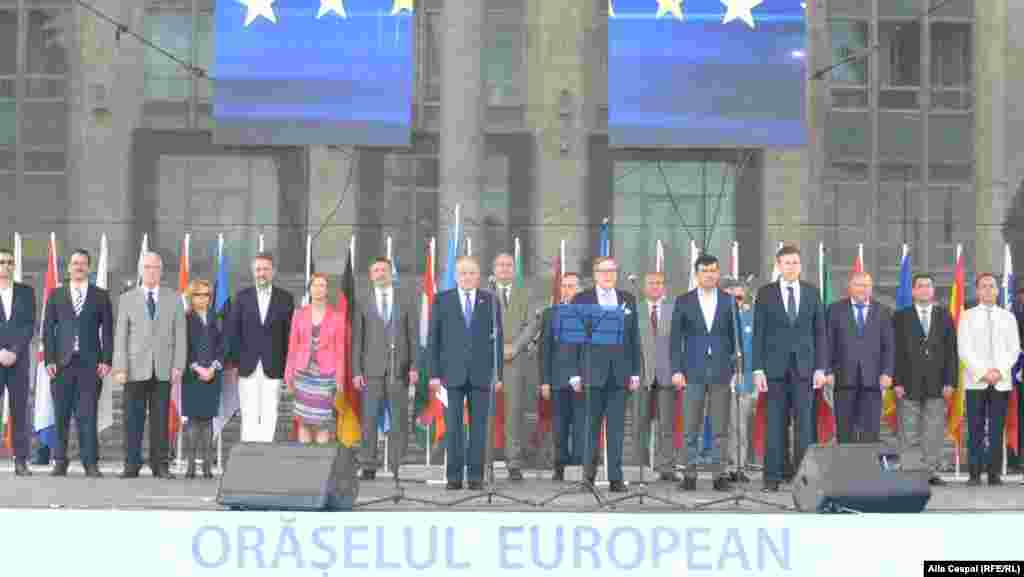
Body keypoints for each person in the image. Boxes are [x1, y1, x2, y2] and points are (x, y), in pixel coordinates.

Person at [751, 244, 827, 492]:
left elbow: (820, 332)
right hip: (774, 369)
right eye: (787, 263)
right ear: (778, 266)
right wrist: (757, 369)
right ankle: (772, 477)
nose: (791, 267)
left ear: (800, 265)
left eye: (795, 262)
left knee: (805, 426)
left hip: (805, 370)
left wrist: (820, 368)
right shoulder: (765, 293)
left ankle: (803, 480)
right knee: (775, 424)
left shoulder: (812, 292)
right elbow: (759, 333)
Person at [428, 256, 503, 490]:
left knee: (479, 429)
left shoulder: (490, 300)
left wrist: (498, 374)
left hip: (482, 374)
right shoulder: (442, 300)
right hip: (451, 374)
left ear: (478, 276)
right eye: (463, 273)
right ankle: (453, 477)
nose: (467, 277)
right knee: (453, 428)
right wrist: (434, 374)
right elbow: (433, 339)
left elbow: (498, 340)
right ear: (455, 276)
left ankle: (475, 477)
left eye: (471, 273)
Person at [112, 251, 187, 479]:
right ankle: (131, 464)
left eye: (155, 267)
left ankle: (160, 465)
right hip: (134, 369)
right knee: (132, 420)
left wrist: (178, 365)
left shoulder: (174, 298)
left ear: (161, 271)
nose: (151, 271)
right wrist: (120, 367)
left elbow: (180, 334)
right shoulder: (127, 299)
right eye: (147, 267)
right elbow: (121, 336)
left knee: (160, 420)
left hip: (163, 368)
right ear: (140, 270)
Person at [570, 256, 641, 493]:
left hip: (620, 373)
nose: (608, 275)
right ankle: (587, 478)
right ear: (595, 274)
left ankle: (615, 478)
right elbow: (573, 338)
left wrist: (635, 371)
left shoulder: (628, 299)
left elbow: (633, 338)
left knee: (616, 430)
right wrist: (574, 373)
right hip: (592, 372)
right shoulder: (582, 299)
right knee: (590, 428)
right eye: (604, 271)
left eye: (612, 271)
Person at [43, 248, 113, 478]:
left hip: (90, 365)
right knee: (61, 415)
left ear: (89, 268)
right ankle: (60, 461)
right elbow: (48, 329)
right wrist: (49, 360)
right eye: (75, 263)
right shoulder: (56, 294)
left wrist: (106, 360)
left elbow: (108, 331)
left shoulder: (100, 295)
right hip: (61, 365)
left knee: (88, 416)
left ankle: (90, 463)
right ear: (69, 267)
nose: (79, 267)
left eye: (83, 263)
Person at [670, 254, 735, 491]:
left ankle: (719, 475)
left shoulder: (729, 301)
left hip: (721, 370)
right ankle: (689, 475)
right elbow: (675, 339)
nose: (709, 275)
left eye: (713, 270)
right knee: (691, 428)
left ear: (718, 273)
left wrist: (735, 369)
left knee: (720, 428)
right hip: (692, 371)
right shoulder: (683, 301)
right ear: (696, 274)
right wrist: (676, 370)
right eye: (705, 270)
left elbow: (735, 338)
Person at [352, 257, 417, 480]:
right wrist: (356, 370)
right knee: (369, 419)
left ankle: (398, 465)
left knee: (399, 419)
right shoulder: (363, 300)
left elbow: (413, 335)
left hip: (399, 368)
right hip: (371, 370)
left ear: (391, 273)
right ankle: (368, 464)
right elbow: (358, 339)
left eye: (383, 270)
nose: (380, 274)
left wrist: (414, 366)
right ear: (371, 275)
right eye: (376, 270)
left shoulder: (405, 298)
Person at [892, 273, 957, 486]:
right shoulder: (900, 316)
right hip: (908, 382)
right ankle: (911, 471)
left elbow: (951, 351)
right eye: (920, 286)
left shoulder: (944, 316)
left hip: (937, 383)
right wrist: (896, 382)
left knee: (933, 431)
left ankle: (929, 472)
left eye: (928, 286)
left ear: (933, 290)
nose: (924, 289)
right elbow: (894, 351)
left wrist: (950, 382)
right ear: (913, 291)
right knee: (908, 430)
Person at [958, 273, 1021, 485]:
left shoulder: (1008, 317)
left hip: (1001, 381)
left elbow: (1014, 349)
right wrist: (983, 373)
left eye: (991, 286)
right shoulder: (967, 316)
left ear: (997, 290)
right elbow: (964, 349)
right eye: (983, 286)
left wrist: (999, 372)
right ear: (977, 291)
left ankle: (994, 473)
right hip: (975, 380)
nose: (988, 290)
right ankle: (974, 473)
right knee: (975, 429)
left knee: (996, 429)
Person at [226, 252, 295, 442]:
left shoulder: (285, 298)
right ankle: (249, 452)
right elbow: (234, 332)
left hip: (274, 365)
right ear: (252, 272)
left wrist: (288, 367)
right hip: (246, 365)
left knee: (270, 411)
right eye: (258, 269)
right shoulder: (241, 297)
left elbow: (289, 335)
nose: (261, 273)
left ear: (273, 272)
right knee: (248, 411)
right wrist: (233, 364)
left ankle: (264, 452)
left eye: (265, 269)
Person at [825, 272, 894, 443]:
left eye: (866, 285)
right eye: (858, 285)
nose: (862, 289)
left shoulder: (883, 311)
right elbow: (827, 343)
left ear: (871, 288)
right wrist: (828, 370)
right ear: (850, 287)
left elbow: (889, 346)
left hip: (873, 381)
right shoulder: (835, 310)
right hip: (843, 380)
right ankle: (846, 462)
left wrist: (887, 372)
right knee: (845, 433)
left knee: (870, 433)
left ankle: (868, 462)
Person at [284, 273, 341, 445]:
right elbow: (292, 347)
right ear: (309, 289)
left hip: (325, 377)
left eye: (322, 285)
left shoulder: (336, 316)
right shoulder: (299, 314)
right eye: (315, 285)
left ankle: (321, 461)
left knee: (322, 423)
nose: (318, 289)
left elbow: (340, 351)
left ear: (327, 290)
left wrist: (339, 379)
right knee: (303, 422)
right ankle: (305, 460)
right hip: (303, 375)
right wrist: (289, 375)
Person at [634, 271, 679, 481]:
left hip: (667, 375)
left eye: (659, 283)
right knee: (639, 422)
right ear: (644, 287)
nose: (655, 286)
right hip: (641, 375)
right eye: (651, 283)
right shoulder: (635, 310)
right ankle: (640, 467)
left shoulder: (673, 309)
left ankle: (666, 467)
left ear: (664, 287)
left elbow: (679, 342)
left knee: (666, 424)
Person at [492, 252, 533, 481]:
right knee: (486, 412)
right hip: (488, 360)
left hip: (515, 361)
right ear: (494, 269)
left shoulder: (525, 294)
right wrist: (498, 349)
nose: (505, 269)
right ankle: (484, 461)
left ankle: (514, 462)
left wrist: (515, 347)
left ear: (514, 269)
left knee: (513, 412)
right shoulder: (484, 294)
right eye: (501, 265)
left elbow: (532, 324)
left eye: (509, 265)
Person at [540, 272, 585, 481]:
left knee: (581, 425)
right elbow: (545, 350)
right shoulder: (551, 314)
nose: (568, 290)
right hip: (558, 379)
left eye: (572, 286)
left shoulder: (589, 313)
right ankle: (560, 466)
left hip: (583, 380)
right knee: (560, 426)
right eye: (565, 286)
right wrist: (545, 381)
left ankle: (578, 465)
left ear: (580, 289)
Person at [182, 278, 224, 479]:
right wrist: (197, 368)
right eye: (198, 294)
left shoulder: (217, 318)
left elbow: (223, 346)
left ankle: (207, 467)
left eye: (207, 295)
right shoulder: (186, 318)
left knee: (208, 421)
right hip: (192, 375)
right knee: (193, 421)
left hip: (213, 375)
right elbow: (183, 347)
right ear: (191, 297)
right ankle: (190, 467)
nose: (203, 298)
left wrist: (213, 367)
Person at [0, 248, 36, 476]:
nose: (6, 265)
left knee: (20, 411)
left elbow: (29, 325)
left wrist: (14, 351)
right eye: (2, 262)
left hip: (19, 360)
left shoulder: (26, 292)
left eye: (9, 262)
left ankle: (21, 461)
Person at [722, 278, 754, 483]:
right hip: (720, 378)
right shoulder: (718, 317)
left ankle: (738, 467)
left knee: (740, 426)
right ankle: (721, 467)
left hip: (744, 378)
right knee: (721, 427)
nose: (736, 302)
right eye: (731, 298)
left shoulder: (752, 317)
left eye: (739, 297)